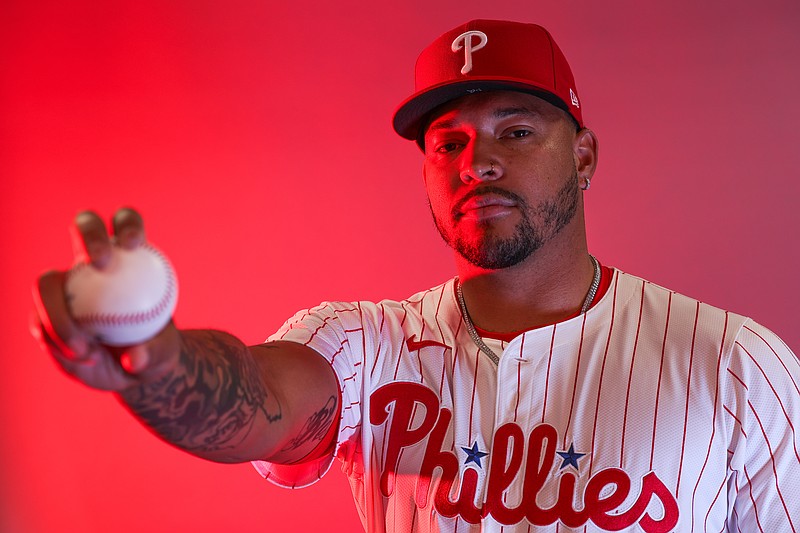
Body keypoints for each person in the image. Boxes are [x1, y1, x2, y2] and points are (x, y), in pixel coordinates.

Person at [33, 19, 799, 532]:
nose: (478, 161)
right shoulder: (365, 345)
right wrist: (155, 362)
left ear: (585, 156)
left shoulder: (735, 365)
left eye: (517, 130)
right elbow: (259, 403)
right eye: (447, 143)